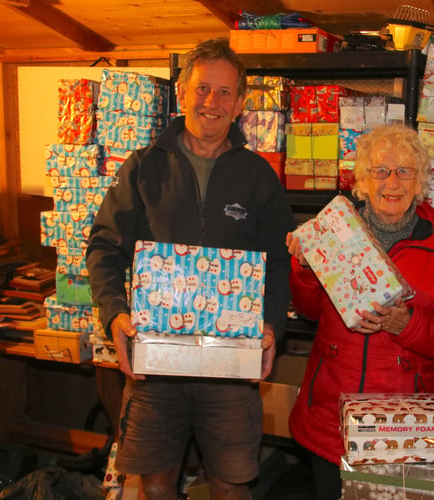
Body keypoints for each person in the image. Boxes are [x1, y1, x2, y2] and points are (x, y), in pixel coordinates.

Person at [85, 38, 295, 500]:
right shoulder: (143, 167)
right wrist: (115, 314)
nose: (212, 103)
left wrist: (272, 326)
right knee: (156, 486)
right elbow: (102, 247)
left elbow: (279, 264)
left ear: (240, 104)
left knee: (231, 485)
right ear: (182, 93)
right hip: (157, 362)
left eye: (224, 93)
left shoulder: (259, 176)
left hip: (231, 363)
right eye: (202, 89)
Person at [285, 124, 434, 499]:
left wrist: (408, 324)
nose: (392, 182)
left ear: (420, 180)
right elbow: (310, 311)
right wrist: (306, 266)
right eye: (381, 171)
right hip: (332, 414)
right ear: (362, 179)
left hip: (401, 422)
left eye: (405, 171)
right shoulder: (334, 231)